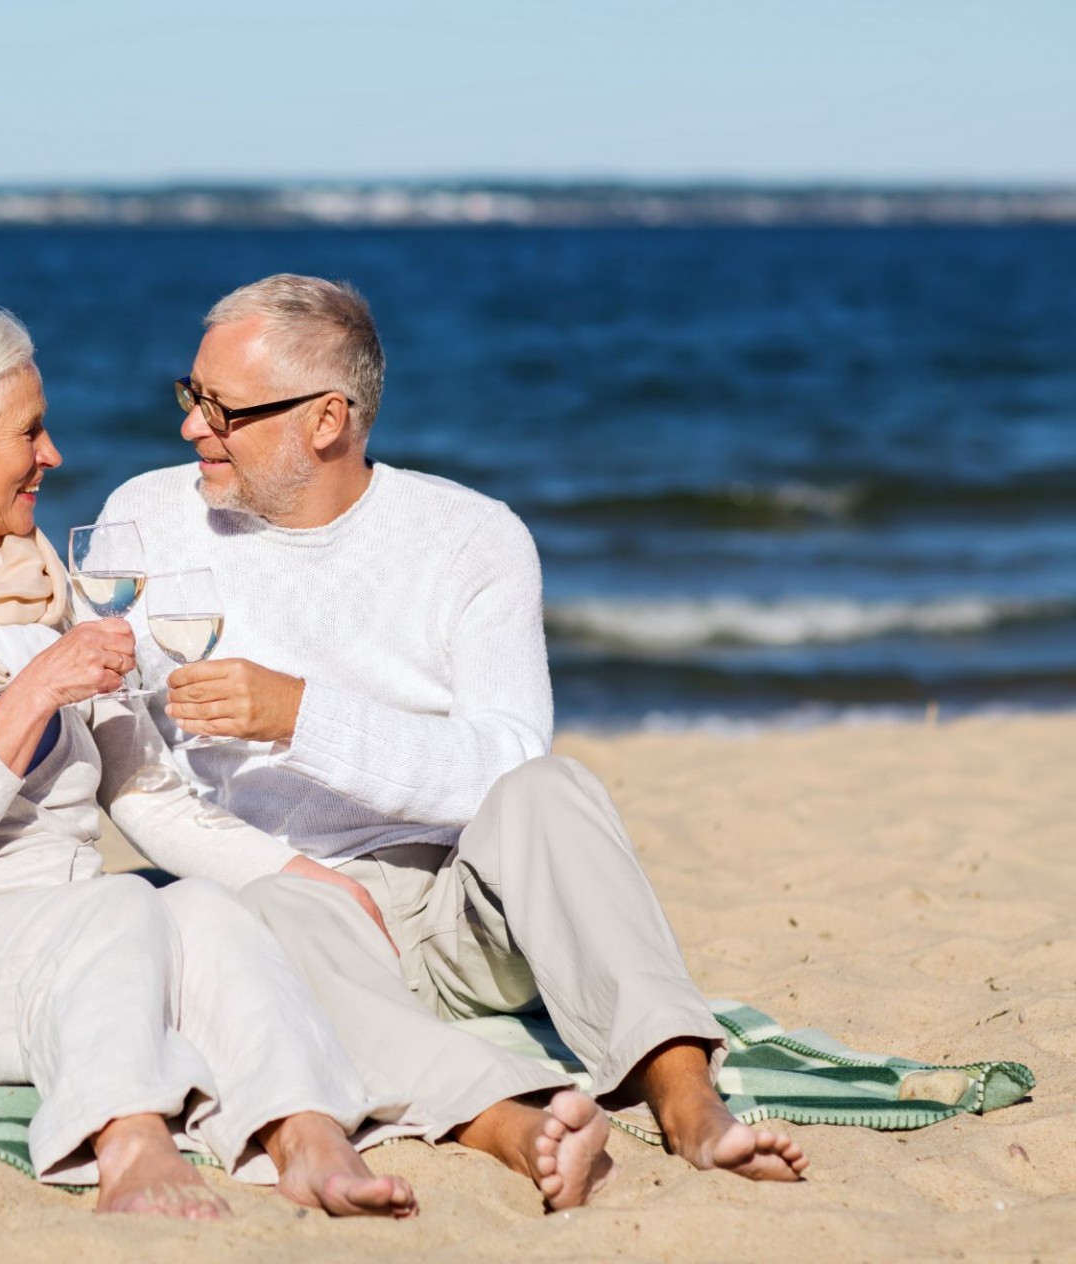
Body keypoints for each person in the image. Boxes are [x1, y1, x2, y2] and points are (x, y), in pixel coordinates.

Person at [98, 274, 809, 1184]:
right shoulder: (146, 518)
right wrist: (282, 869)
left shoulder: (472, 538)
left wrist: (299, 714)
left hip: (461, 910)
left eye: (224, 411)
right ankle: (512, 1120)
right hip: (282, 899)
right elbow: (129, 769)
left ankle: (687, 1099)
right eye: (191, 396)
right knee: (253, 924)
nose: (192, 427)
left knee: (553, 789)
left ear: (326, 420)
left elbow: (504, 764)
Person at [0, 302, 423, 1221]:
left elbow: (146, 793)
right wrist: (34, 693)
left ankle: (304, 1133)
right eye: (29, 433)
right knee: (125, 904)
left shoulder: (43, 595)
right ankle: (129, 1143)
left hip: (69, 927)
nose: (54, 456)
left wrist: (299, 874)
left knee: (201, 908)